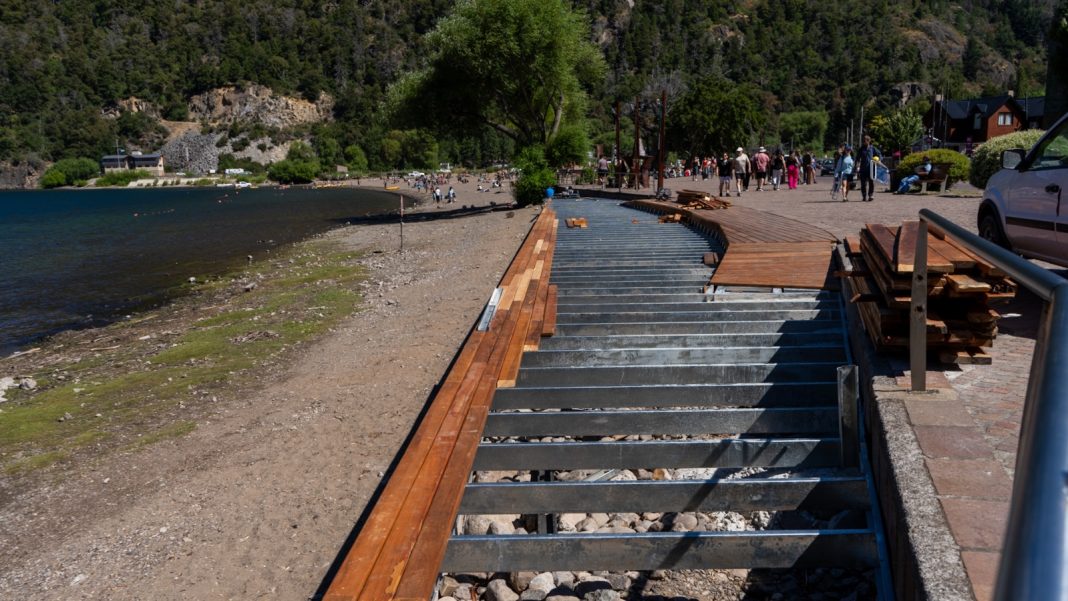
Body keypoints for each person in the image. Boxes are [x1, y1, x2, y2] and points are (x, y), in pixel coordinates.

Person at [856, 135, 881, 202]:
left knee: (871, 182)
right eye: (864, 141)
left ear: (869, 141)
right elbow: (857, 159)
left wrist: (878, 160)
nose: (864, 142)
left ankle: (870, 195)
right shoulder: (861, 149)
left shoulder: (872, 148)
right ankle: (864, 196)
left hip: (871, 168)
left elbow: (879, 154)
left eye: (866, 141)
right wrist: (857, 167)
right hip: (863, 169)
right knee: (863, 184)